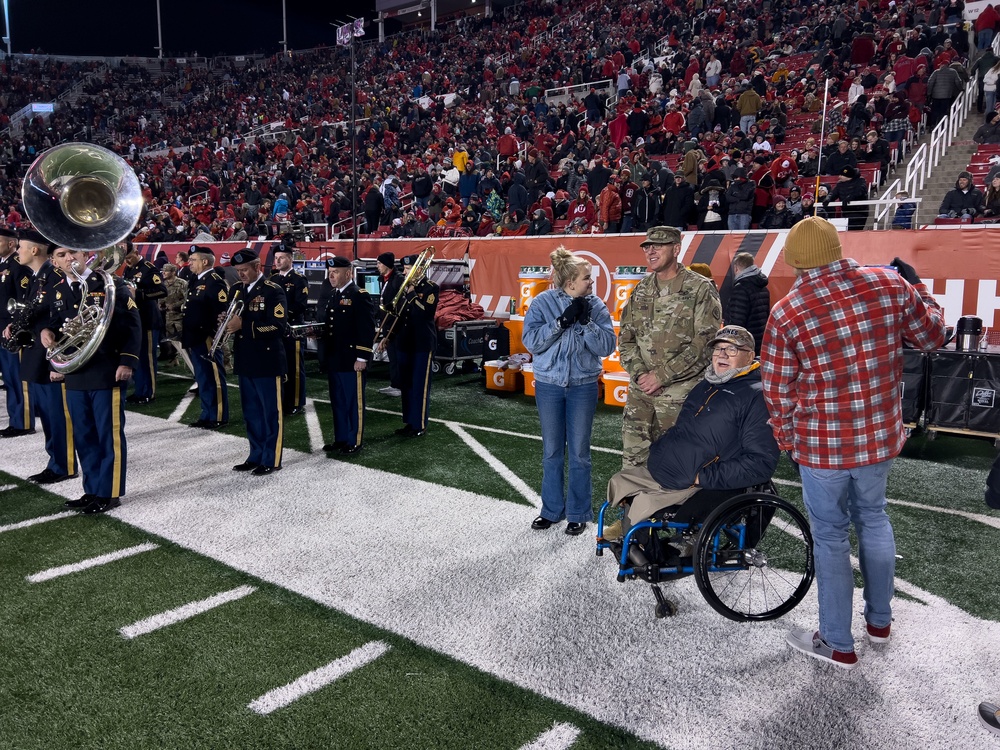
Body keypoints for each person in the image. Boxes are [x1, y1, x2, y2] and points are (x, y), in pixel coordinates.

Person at [761, 216, 947, 669]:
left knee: (829, 537)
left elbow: (777, 390)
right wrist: (917, 288)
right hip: (878, 436)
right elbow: (934, 336)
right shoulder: (889, 285)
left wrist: (789, 442)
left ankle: (838, 643)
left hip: (822, 445)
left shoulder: (787, 311)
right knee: (874, 518)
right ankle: (879, 624)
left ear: (796, 259)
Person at [603, 326, 778, 540]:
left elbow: (760, 462)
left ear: (750, 356)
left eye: (732, 350)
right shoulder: (709, 383)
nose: (722, 354)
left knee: (644, 505)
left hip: (692, 481)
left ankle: (649, 544)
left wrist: (702, 477)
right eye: (718, 349)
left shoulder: (756, 396)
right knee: (619, 481)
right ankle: (630, 527)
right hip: (668, 467)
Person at [521, 247, 616, 536]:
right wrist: (561, 322)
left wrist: (586, 322)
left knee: (579, 452)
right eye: (587, 278)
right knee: (551, 451)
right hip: (549, 385)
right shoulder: (542, 303)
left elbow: (608, 346)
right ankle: (551, 510)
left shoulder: (596, 305)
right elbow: (531, 342)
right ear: (570, 281)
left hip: (583, 387)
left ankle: (577, 512)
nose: (591, 282)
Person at [45, 244, 141, 513]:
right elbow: (58, 325)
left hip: (106, 370)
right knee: (84, 435)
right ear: (54, 262)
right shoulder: (58, 289)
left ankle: (109, 493)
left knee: (107, 435)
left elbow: (133, 324)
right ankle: (92, 490)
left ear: (87, 255)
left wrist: (127, 361)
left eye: (73, 252)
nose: (69, 258)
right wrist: (46, 333)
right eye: (62, 255)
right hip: (75, 373)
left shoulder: (110, 283)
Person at [618, 226, 722, 467]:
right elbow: (626, 339)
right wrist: (641, 374)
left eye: (658, 245)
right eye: (647, 246)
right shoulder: (641, 289)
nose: (651, 251)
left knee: (680, 466)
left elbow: (706, 343)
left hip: (680, 396)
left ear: (676, 249)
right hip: (641, 394)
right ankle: (635, 506)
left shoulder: (700, 288)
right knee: (634, 463)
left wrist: (661, 376)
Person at [2, 231, 78, 487]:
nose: (18, 251)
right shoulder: (39, 277)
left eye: (21, 247)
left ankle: (65, 465)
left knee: (57, 414)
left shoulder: (54, 276)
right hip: (36, 354)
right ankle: (54, 461)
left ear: (34, 250)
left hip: (50, 357)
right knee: (47, 414)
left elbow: (60, 320)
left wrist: (57, 360)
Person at [226, 249, 288, 475]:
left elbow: (278, 326)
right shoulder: (236, 290)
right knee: (251, 412)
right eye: (238, 271)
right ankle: (256, 455)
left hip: (266, 359)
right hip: (245, 359)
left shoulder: (273, 291)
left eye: (244, 270)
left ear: (257, 267)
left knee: (270, 413)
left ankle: (271, 459)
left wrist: (244, 326)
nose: (240, 274)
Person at [319, 256, 376, 455]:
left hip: (352, 359)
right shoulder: (334, 294)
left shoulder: (359, 295)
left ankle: (354, 440)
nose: (331, 275)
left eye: (335, 272)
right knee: (338, 401)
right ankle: (341, 437)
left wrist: (362, 358)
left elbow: (366, 329)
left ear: (348, 273)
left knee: (353, 402)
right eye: (329, 272)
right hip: (335, 358)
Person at [389, 254, 439, 437]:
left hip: (421, 344)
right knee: (407, 385)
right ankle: (409, 422)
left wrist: (411, 295)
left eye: (408, 269)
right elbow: (401, 316)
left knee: (420, 386)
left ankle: (419, 425)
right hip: (405, 342)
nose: (404, 272)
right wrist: (390, 335)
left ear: (418, 269)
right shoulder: (404, 288)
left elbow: (424, 314)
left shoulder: (431, 288)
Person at [182, 246, 230, 429]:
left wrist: (214, 337)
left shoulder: (214, 281)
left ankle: (218, 416)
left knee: (214, 377)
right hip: (195, 336)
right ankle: (207, 414)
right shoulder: (196, 279)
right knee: (202, 377)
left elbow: (220, 312)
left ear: (205, 261)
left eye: (193, 259)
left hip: (207, 337)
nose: (190, 263)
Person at [122, 248, 167, 405]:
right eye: (125, 258)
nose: (126, 261)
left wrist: (139, 294)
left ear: (135, 252)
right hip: (136, 320)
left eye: (129, 257)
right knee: (138, 358)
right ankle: (140, 391)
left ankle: (149, 393)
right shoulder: (129, 269)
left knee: (147, 358)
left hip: (148, 319)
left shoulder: (149, 268)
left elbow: (162, 291)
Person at [0, 226, 33, 436]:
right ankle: (16, 418)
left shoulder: (18, 267)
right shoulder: (4, 265)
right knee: (9, 377)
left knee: (16, 377)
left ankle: (22, 422)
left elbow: (23, 300)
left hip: (10, 329)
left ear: (11, 243)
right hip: (2, 328)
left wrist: (16, 326)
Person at [270, 242, 309, 415]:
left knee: (294, 367)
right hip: (276, 330)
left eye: (282, 258)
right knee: (279, 366)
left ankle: (295, 402)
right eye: (276, 258)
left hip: (292, 329)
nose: (277, 261)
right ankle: (281, 399)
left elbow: (300, 305)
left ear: (290, 259)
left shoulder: (299, 279)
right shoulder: (272, 280)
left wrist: (281, 319)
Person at [724, 252, 770, 355]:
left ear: (736, 268)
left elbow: (736, 323)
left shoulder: (740, 289)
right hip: (759, 341)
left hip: (744, 345)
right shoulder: (763, 287)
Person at [374, 252, 403, 397]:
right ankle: (395, 384)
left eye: (379, 263)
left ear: (386, 264)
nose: (377, 266)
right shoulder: (385, 279)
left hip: (395, 324)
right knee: (392, 355)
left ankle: (398, 385)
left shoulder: (397, 279)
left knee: (396, 355)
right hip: (387, 321)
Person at [159, 263, 188, 366]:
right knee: (171, 341)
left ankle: (191, 363)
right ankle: (173, 359)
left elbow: (186, 299)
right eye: (163, 270)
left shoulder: (182, 283)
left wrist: (175, 305)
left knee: (183, 341)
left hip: (179, 316)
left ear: (173, 272)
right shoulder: (164, 284)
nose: (163, 273)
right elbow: (161, 298)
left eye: (166, 271)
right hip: (168, 317)